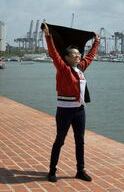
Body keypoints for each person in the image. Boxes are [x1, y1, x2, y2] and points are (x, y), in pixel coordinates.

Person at [42, 23, 100, 183]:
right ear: (66, 57)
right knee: (60, 140)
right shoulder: (63, 69)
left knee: (80, 141)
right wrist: (48, 36)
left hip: (80, 110)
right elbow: (53, 53)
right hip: (65, 110)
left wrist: (96, 42)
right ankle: (52, 171)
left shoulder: (80, 68)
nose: (78, 56)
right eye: (74, 55)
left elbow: (90, 56)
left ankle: (80, 170)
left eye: (78, 54)